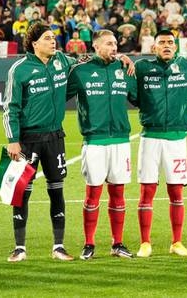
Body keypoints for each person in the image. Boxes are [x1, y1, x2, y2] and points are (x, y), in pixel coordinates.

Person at [3, 23, 76, 262]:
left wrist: (119, 58)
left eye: (53, 37)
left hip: (55, 137)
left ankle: (59, 246)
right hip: (27, 141)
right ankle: (19, 248)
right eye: (47, 38)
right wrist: (13, 140)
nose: (53, 41)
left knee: (57, 191)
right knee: (21, 193)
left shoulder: (62, 61)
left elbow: (86, 61)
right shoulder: (20, 69)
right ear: (35, 44)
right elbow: (10, 108)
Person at [65, 30, 136, 260]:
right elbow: (59, 96)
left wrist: (126, 59)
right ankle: (89, 244)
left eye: (116, 43)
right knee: (92, 193)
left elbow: (137, 96)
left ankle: (118, 243)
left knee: (118, 193)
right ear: (96, 46)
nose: (114, 47)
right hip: (94, 141)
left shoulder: (124, 68)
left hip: (121, 141)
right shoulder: (80, 71)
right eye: (109, 44)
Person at [133, 29, 187, 258]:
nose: (167, 45)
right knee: (147, 190)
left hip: (177, 139)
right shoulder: (141, 68)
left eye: (171, 42)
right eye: (162, 42)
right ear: (154, 47)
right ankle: (145, 243)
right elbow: (132, 94)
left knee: (176, 191)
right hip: (150, 137)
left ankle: (177, 242)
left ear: (176, 46)